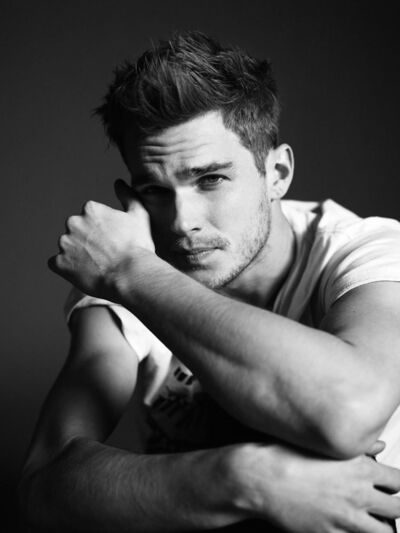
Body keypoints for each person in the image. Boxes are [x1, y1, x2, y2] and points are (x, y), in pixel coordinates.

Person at [19, 31, 400, 533]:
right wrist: (245, 478)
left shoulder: (365, 250)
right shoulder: (130, 272)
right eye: (155, 190)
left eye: (211, 179)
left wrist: (129, 270)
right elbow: (43, 487)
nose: (182, 223)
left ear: (277, 173)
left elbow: (350, 412)